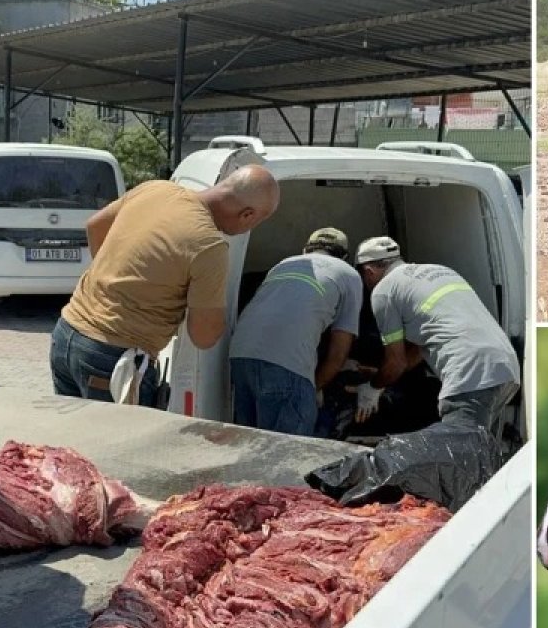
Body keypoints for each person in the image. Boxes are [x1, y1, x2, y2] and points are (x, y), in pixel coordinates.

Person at [51, 165, 280, 406]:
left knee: (74, 440)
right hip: (112, 360)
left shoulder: (155, 189)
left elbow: (95, 226)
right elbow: (203, 336)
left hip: (67, 334)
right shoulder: (209, 246)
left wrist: (117, 282)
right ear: (247, 215)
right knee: (124, 443)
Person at [353, 236, 520, 435]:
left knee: (459, 451)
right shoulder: (441, 271)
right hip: (505, 366)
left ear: (368, 271)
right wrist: (383, 376)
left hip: (469, 373)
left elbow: (395, 363)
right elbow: (415, 350)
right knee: (479, 448)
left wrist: (372, 388)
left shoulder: (384, 291)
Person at [229, 227, 363, 436]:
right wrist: (316, 386)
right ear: (344, 256)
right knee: (288, 453)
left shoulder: (282, 265)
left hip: (240, 356)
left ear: (305, 250)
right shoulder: (348, 274)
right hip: (287, 365)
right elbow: (339, 352)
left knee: (249, 446)